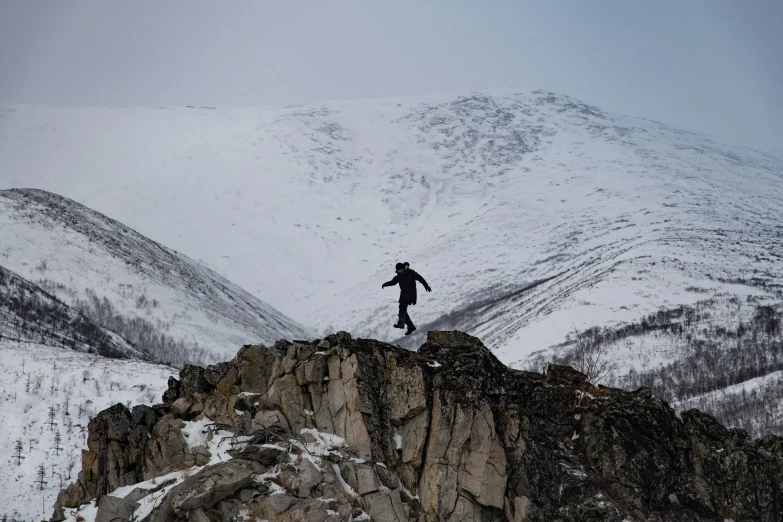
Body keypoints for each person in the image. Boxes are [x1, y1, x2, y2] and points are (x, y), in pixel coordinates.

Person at [381, 262, 431, 335]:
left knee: (402, 308)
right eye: (398, 270)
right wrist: (385, 284)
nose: (399, 271)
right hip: (403, 294)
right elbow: (393, 282)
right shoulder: (398, 276)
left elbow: (420, 278)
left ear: (403, 268)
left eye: (400, 269)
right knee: (402, 311)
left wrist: (426, 285)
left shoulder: (411, 273)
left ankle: (401, 323)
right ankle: (411, 326)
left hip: (411, 293)